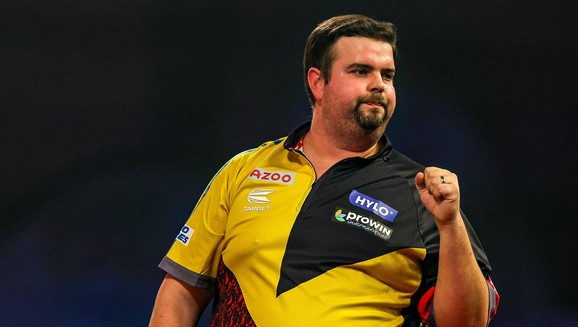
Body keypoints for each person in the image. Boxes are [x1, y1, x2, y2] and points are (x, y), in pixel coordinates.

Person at [150, 14, 499, 327]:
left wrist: (451, 225)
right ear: (318, 83)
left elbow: (468, 323)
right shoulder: (244, 170)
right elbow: (181, 292)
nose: (379, 84)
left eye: (387, 75)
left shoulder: (423, 192)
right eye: (361, 71)